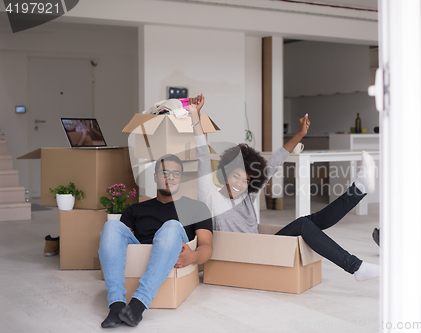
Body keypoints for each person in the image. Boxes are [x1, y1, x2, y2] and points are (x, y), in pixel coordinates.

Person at [189, 94, 378, 282]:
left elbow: (273, 163)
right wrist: (195, 116)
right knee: (304, 224)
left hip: (262, 249)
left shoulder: (247, 196)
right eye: (236, 177)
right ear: (225, 172)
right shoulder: (210, 196)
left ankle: (358, 189)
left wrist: (300, 134)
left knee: (311, 221)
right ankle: (355, 267)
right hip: (246, 256)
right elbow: (203, 157)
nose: (240, 184)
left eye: (246, 181)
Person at [98, 154, 213, 328]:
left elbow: (207, 246)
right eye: (165, 172)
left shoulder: (197, 207)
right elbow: (116, 245)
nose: (171, 177)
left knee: (172, 226)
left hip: (173, 250)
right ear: (155, 177)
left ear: (181, 178)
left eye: (176, 173)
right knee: (111, 227)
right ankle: (116, 305)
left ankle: (138, 304)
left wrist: (193, 257)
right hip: (142, 250)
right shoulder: (135, 209)